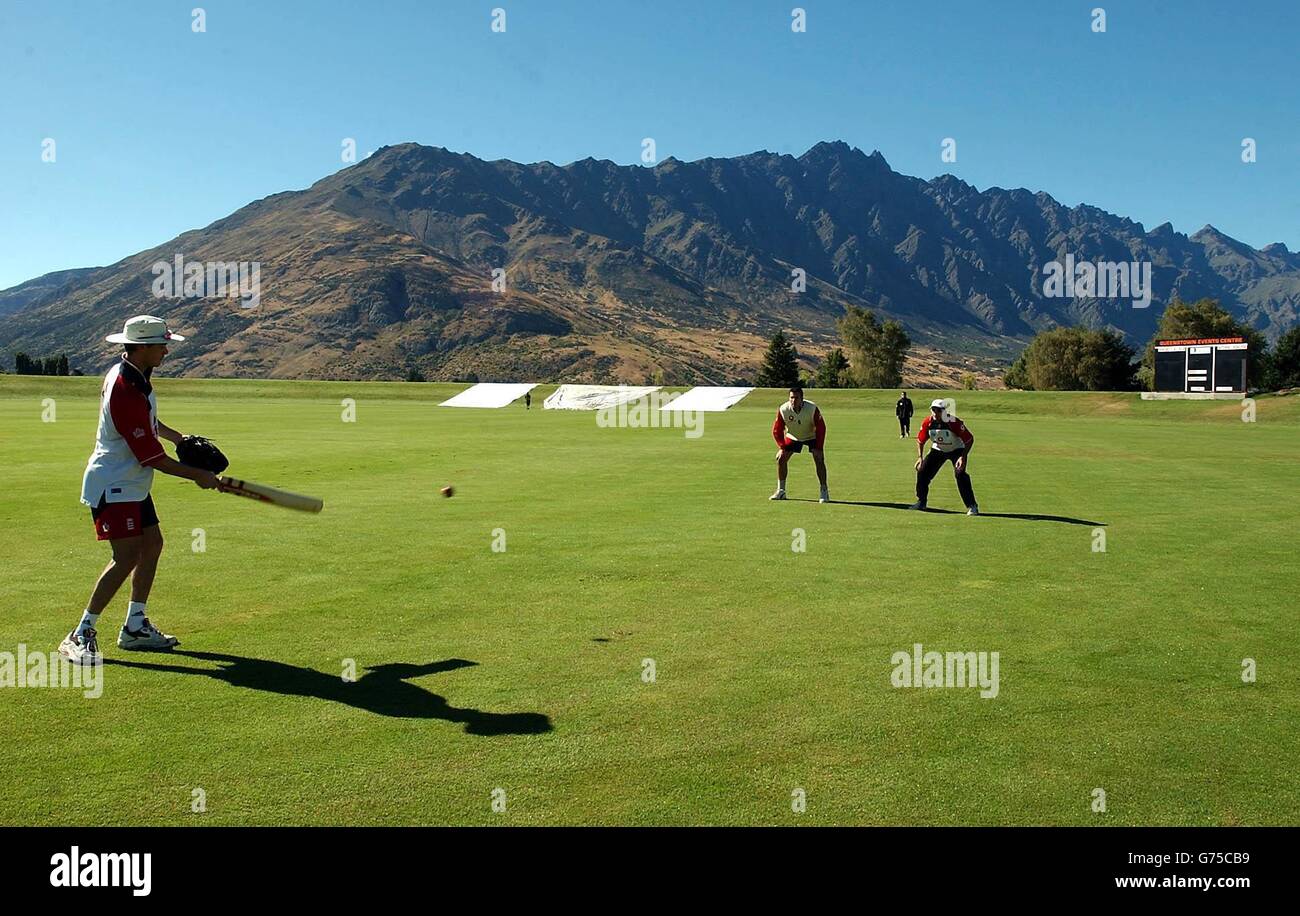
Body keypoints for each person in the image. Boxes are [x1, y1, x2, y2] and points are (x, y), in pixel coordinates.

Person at [58, 316, 223, 666]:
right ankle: (79, 634)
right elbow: (153, 458)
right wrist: (198, 475)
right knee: (127, 556)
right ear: (143, 347)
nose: (166, 349)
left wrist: (180, 438)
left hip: (131, 484)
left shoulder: (136, 376)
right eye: (162, 345)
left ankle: (135, 627)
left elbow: (149, 423)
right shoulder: (123, 388)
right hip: (114, 483)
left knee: (153, 544)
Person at [911, 398, 979, 516]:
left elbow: (969, 439)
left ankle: (972, 506)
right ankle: (921, 502)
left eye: (939, 410)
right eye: (933, 410)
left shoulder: (953, 422)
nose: (936, 413)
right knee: (922, 472)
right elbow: (920, 441)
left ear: (944, 411)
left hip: (957, 450)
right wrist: (920, 457)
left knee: (960, 474)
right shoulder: (927, 422)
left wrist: (962, 457)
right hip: (938, 450)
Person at [769, 385, 829, 503]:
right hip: (794, 436)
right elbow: (777, 430)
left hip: (812, 436)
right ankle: (781, 491)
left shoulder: (812, 408)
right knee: (781, 458)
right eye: (791, 397)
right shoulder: (783, 409)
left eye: (796, 398)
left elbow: (821, 428)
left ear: (802, 398)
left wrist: (819, 447)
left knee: (819, 458)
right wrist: (782, 447)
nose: (793, 400)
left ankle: (824, 490)